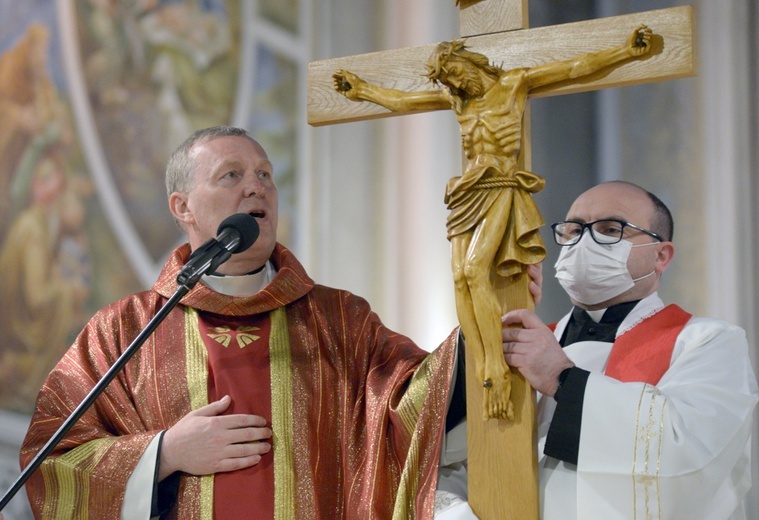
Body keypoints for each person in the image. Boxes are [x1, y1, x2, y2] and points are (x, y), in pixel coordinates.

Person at [18, 125, 539, 519]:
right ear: (183, 207)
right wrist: (164, 453)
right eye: (232, 176)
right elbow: (52, 463)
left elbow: (413, 411)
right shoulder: (125, 330)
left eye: (265, 175)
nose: (257, 188)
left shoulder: (339, 321)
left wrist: (481, 329)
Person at [333, 26, 654, 420]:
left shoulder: (514, 83)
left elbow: (575, 68)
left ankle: (494, 367)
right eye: (449, 81)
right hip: (466, 192)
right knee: (461, 280)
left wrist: (625, 50)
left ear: (468, 62)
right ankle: (481, 359)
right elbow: (403, 101)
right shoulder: (459, 102)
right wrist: (362, 90)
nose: (457, 84)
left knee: (474, 270)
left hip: (502, 186)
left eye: (457, 74)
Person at [500, 180, 758, 519]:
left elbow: (686, 455)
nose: (584, 242)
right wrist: (500, 311)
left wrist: (562, 379)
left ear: (661, 255)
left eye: (610, 229)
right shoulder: (529, 344)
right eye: (572, 230)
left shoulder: (709, 342)